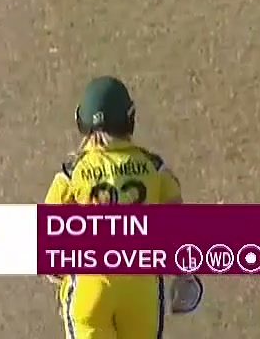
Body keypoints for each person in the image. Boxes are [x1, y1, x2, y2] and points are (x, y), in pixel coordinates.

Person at [42, 77, 204, 339]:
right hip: (141, 290)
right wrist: (185, 275)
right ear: (130, 118)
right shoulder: (154, 168)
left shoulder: (73, 172)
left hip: (91, 288)